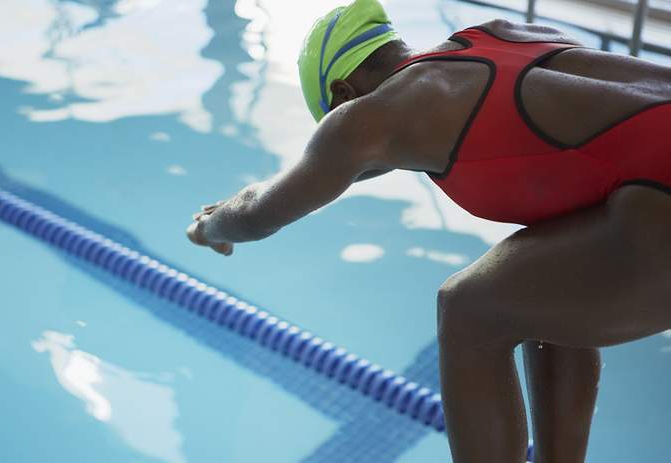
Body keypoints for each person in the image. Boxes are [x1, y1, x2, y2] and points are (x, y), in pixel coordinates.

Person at [185, 0, 671, 461]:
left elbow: (257, 214)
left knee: (466, 311)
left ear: (342, 95)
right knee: (541, 281)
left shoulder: (373, 116)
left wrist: (212, 226)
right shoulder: (503, 37)